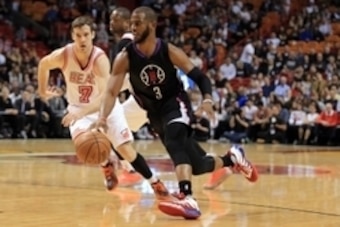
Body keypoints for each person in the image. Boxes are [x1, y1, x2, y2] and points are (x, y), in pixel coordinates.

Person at [95, 7, 258, 219]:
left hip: (176, 104)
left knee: (174, 141)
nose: (133, 27)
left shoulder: (168, 50)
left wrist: (208, 99)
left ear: (152, 25)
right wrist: (101, 118)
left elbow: (201, 77)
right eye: (132, 23)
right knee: (198, 165)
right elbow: (110, 92)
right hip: (154, 114)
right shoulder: (125, 57)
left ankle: (187, 197)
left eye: (138, 22)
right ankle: (232, 159)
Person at [37, 15, 170, 200]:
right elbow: (44, 64)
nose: (82, 39)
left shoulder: (100, 60)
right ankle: (106, 164)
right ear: (72, 36)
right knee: (87, 145)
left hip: (105, 106)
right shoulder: (64, 55)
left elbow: (107, 95)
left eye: (85, 34)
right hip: (79, 109)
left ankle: (155, 183)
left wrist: (81, 111)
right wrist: (42, 91)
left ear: (92, 35)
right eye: (77, 35)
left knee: (125, 149)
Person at [110, 6, 235, 191]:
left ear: (126, 21)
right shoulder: (132, 44)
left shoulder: (127, 45)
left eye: (115, 19)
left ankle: (131, 171)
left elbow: (128, 79)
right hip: (151, 99)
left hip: (146, 100)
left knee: (114, 130)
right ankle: (219, 165)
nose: (111, 23)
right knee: (181, 143)